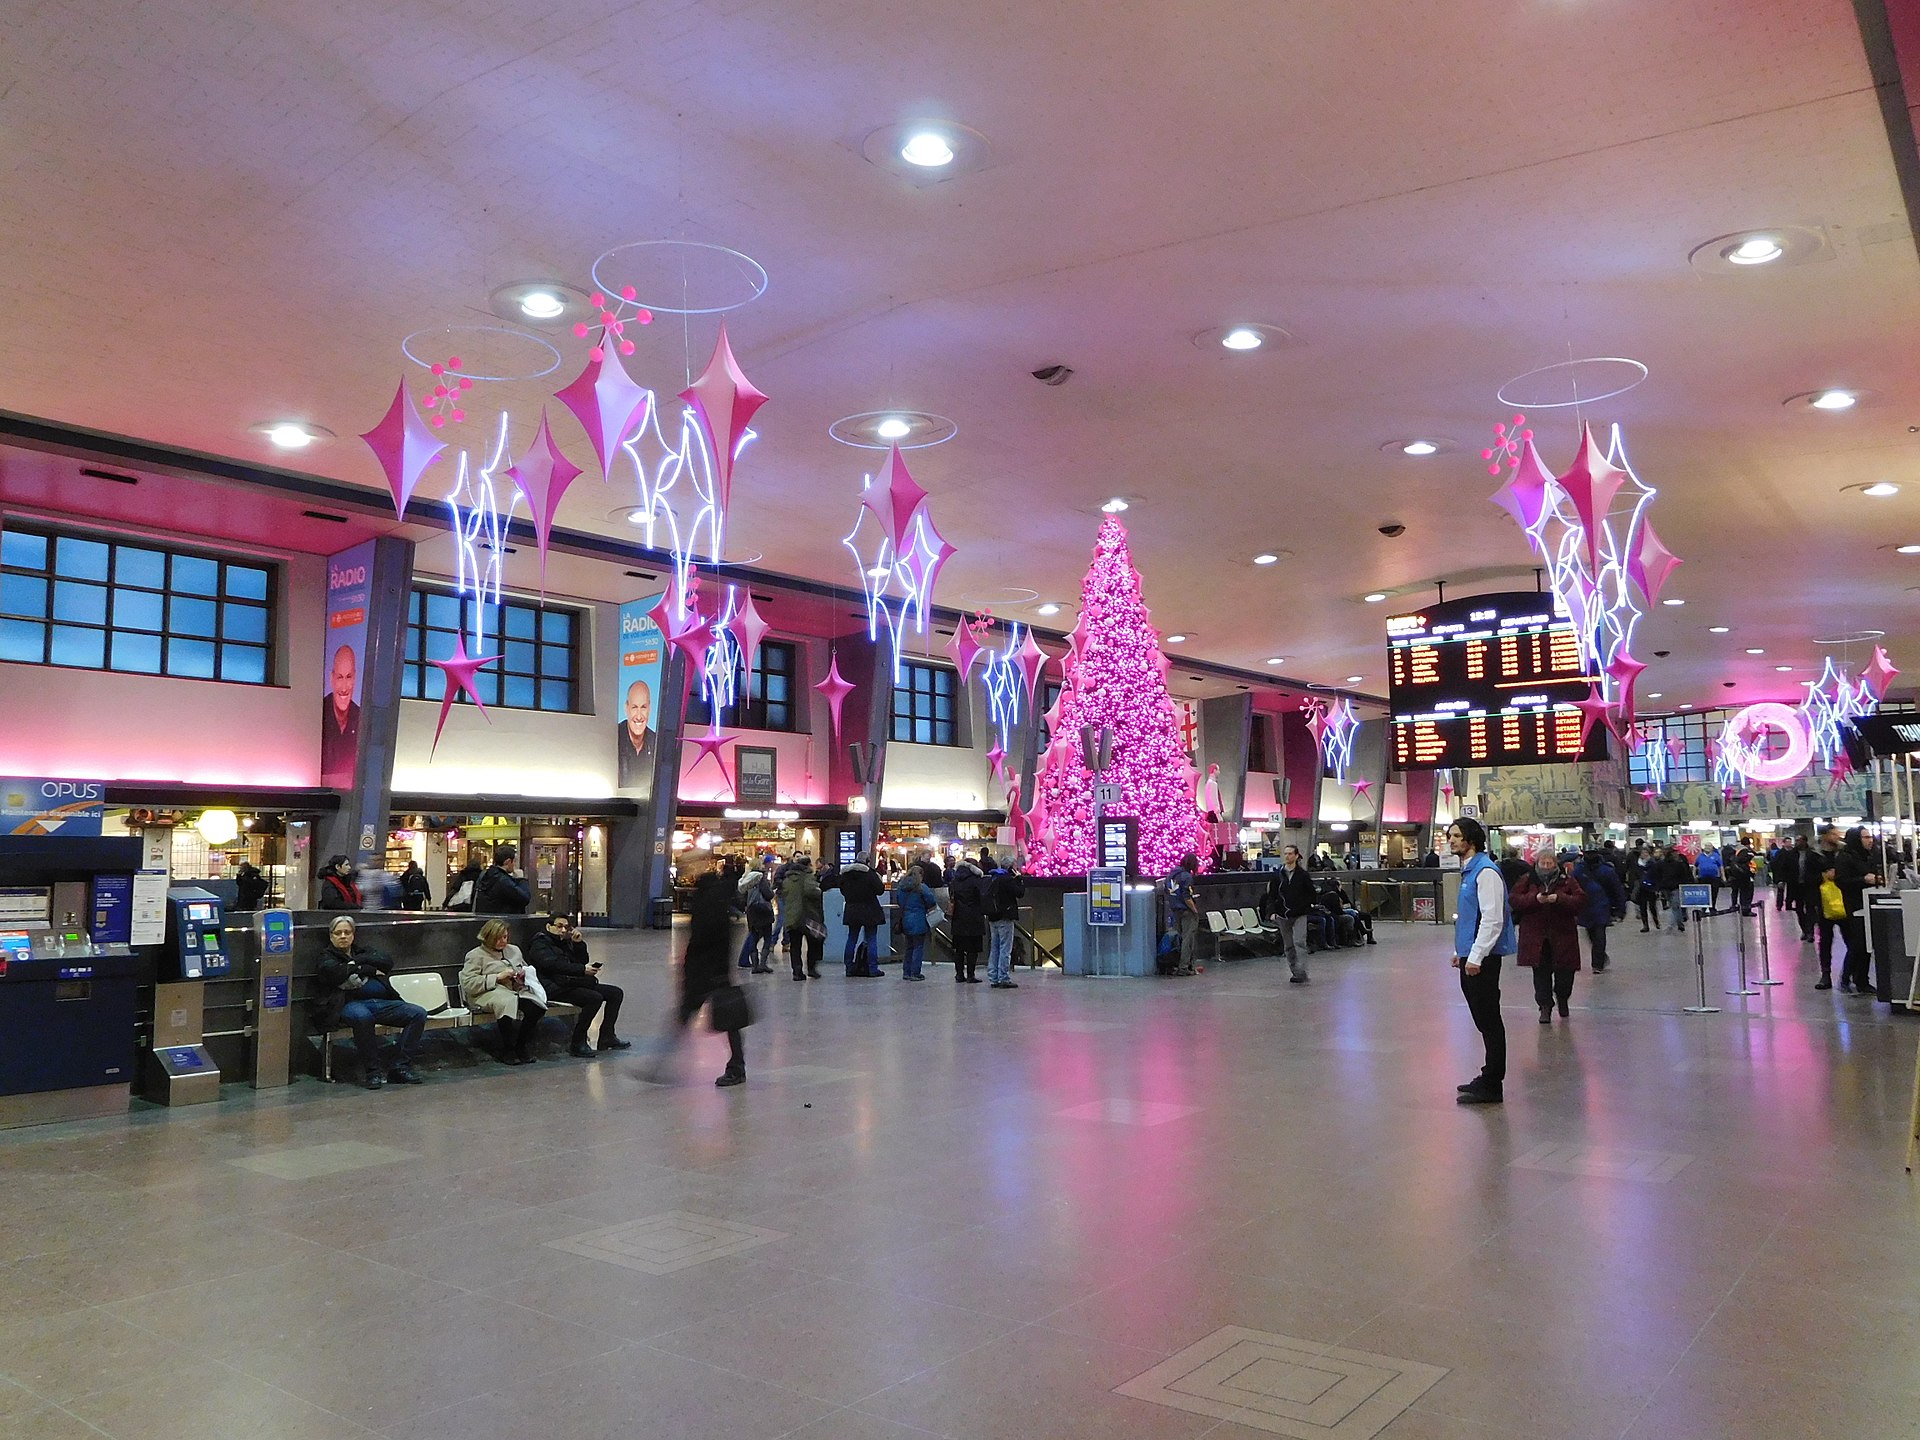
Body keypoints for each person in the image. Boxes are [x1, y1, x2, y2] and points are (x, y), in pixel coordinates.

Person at [655, 866, 746, 1086]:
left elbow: (700, 942)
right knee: (729, 1021)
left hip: (704, 972)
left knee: (688, 1016)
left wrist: (689, 972)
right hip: (717, 972)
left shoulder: (706, 903)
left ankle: (659, 1063)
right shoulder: (721, 903)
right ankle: (737, 1066)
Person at [313, 916, 426, 1088]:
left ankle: (401, 1067)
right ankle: (373, 1071)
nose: (343, 936)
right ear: (331, 936)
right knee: (362, 1017)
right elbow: (336, 972)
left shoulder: (361, 951)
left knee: (417, 1013)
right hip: (346, 1005)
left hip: (379, 1002)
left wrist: (358, 962)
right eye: (338, 933)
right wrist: (368, 968)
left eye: (347, 932)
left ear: (353, 935)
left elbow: (386, 962)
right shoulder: (325, 957)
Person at [1449, 817, 1514, 1105]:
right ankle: (1488, 1075)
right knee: (1482, 1019)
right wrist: (1460, 952)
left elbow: (1491, 919)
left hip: (1483, 960)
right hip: (1471, 956)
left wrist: (1475, 956)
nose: (1450, 840)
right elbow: (1468, 919)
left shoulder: (1485, 872)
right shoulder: (1469, 871)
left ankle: (1492, 1084)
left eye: (1455, 836)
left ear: (1471, 840)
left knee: (1489, 1020)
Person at [527, 914, 629, 1056]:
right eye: (559, 926)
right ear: (548, 927)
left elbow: (580, 961)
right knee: (593, 998)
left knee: (615, 993)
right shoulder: (540, 944)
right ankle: (578, 1041)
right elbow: (553, 965)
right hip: (553, 987)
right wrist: (582, 970)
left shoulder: (565, 942)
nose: (563, 930)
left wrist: (578, 944)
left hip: (570, 982)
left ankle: (607, 1036)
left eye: (566, 927)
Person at [1513, 850, 1586, 1024]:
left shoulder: (1567, 880)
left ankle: (1563, 998)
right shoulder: (1527, 880)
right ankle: (1544, 1007)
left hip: (1563, 935)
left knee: (1565, 974)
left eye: (1549, 863)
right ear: (1537, 864)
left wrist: (1559, 898)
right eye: (1543, 863)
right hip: (1536, 937)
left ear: (1555, 864)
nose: (1546, 867)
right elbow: (1514, 900)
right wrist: (1535, 899)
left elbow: (1580, 900)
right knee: (1540, 974)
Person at [461, 919, 547, 1065]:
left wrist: (522, 975)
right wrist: (496, 978)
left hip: (515, 989)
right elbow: (468, 983)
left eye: (505, 937)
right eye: (498, 938)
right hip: (487, 992)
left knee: (536, 1007)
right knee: (506, 1004)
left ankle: (521, 1045)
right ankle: (508, 1049)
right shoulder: (475, 955)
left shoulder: (514, 950)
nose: (503, 941)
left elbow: (524, 967)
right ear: (487, 937)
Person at [1834, 827, 1881, 997]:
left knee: (1867, 944)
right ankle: (1846, 978)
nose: (1870, 840)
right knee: (1858, 944)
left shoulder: (1870, 855)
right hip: (1854, 905)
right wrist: (1863, 879)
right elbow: (1842, 881)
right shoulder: (1845, 857)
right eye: (1866, 837)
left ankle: (1862, 980)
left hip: (1869, 902)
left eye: (1871, 837)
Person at [1263, 844, 1315, 983]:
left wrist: (1305, 905)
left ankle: (1302, 971)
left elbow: (1311, 893)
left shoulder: (1303, 875)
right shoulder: (1277, 876)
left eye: (1290, 853)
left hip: (1299, 914)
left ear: (1296, 856)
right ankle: (1295, 971)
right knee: (1289, 945)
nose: (1287, 856)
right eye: (1285, 854)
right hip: (1282, 914)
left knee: (1299, 942)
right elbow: (1272, 896)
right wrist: (1272, 911)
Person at [1572, 849, 1626, 972]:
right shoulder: (1580, 870)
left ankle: (1597, 963)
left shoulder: (1599, 870)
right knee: (1593, 934)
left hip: (1599, 906)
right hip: (1588, 907)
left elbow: (1617, 890)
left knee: (1598, 933)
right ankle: (1600, 956)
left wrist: (1620, 908)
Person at [836, 852, 886, 977]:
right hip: (869, 909)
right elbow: (880, 890)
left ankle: (849, 967)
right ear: (867, 861)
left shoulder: (845, 874)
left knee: (851, 938)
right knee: (871, 938)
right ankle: (872, 968)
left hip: (851, 909)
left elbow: (842, 890)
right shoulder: (869, 873)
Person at [1807, 827, 1843, 982]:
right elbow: (1807, 878)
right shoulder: (1814, 855)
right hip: (1823, 902)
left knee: (1852, 939)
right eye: (1833, 834)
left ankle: (1850, 973)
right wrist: (1823, 876)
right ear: (1825, 836)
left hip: (1843, 899)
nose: (1837, 837)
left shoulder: (1843, 853)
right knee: (1826, 939)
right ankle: (1826, 974)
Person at [984, 853, 1025, 988]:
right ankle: (1004, 977)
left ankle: (993, 977)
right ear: (1011, 867)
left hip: (993, 917)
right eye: (1014, 866)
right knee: (1005, 948)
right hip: (1005, 916)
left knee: (994, 947)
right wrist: (1019, 879)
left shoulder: (994, 877)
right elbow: (1020, 893)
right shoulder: (1007, 879)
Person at [320, 644, 360, 780]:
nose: (344, 688)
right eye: (339, 677)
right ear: (332, 678)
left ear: (355, 678)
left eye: (348, 677)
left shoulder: (362, 719)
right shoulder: (318, 713)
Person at [781, 854, 823, 980]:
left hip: (792, 916)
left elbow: (784, 895)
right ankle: (811, 969)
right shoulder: (808, 877)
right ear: (808, 865)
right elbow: (813, 892)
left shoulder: (787, 880)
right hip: (807, 915)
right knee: (813, 942)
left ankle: (797, 972)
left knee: (795, 946)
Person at [946, 855, 987, 983]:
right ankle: (970, 975)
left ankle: (959, 974)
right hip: (973, 918)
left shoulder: (954, 881)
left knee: (959, 949)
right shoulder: (976, 881)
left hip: (958, 918)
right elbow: (982, 897)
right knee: (972, 949)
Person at [894, 863, 938, 981]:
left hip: (905, 920)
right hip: (919, 919)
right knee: (918, 947)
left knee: (908, 947)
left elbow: (899, 901)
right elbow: (931, 901)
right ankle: (915, 972)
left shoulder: (901, 886)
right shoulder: (921, 887)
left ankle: (906, 972)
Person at [736, 858, 778, 973]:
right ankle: (763, 964)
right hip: (763, 910)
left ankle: (754, 966)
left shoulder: (745, 879)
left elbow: (741, 897)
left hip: (751, 910)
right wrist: (773, 891)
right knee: (767, 937)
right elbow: (768, 894)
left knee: (754, 936)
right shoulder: (760, 877)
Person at [615, 679, 657, 792]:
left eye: (643, 707)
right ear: (626, 708)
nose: (639, 716)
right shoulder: (613, 738)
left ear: (650, 709)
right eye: (634, 707)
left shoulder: (657, 743)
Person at [1165, 853, 1201, 976]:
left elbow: (1168, 892)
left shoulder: (1171, 875)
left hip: (1175, 910)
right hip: (1186, 911)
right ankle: (1184, 967)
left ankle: (1176, 963)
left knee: (1179, 937)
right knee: (1188, 939)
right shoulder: (1187, 877)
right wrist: (1195, 910)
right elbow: (1187, 897)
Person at [474, 845, 531, 915]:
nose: (514, 865)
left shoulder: (485, 875)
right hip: (504, 921)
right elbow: (524, 898)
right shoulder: (503, 880)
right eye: (514, 862)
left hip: (489, 922)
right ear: (508, 861)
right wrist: (521, 879)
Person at [1729, 841, 1757, 916]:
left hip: (1737, 877)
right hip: (1746, 877)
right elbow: (1750, 865)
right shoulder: (1746, 854)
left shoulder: (1734, 855)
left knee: (1740, 893)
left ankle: (1740, 907)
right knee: (1747, 894)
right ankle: (1746, 910)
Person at [1695, 843, 1724, 913]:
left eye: (1709, 846)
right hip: (1703, 877)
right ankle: (1704, 907)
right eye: (1706, 846)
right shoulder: (1700, 856)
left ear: (1712, 848)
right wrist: (1694, 875)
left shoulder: (1716, 856)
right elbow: (1695, 865)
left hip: (1714, 877)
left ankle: (1712, 907)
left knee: (1714, 892)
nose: (1707, 848)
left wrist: (1723, 876)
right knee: (1704, 893)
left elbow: (1721, 866)